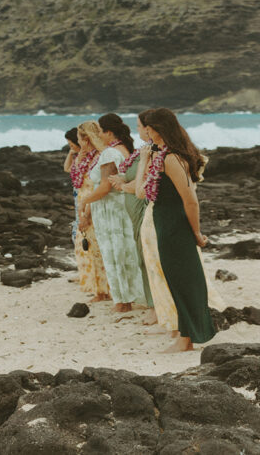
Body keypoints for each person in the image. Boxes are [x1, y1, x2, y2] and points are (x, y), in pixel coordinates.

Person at [138, 108, 216, 352]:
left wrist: (196, 233)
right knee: (176, 278)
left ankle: (187, 339)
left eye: (149, 128)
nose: (147, 132)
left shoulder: (171, 158)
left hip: (175, 224)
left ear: (160, 129)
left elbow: (190, 199)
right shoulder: (161, 156)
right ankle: (186, 335)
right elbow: (143, 191)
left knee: (184, 279)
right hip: (164, 220)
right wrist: (144, 160)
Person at [79, 113, 147, 313]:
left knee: (114, 254)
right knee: (127, 252)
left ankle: (122, 302)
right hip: (123, 205)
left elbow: (105, 187)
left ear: (109, 132)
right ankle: (129, 297)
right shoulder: (126, 150)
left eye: (100, 131)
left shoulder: (109, 153)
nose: (98, 135)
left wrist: (84, 201)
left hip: (110, 210)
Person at [72, 122, 110, 301]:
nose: (78, 142)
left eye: (80, 139)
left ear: (86, 139)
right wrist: (80, 154)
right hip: (84, 201)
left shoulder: (100, 157)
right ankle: (99, 289)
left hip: (93, 202)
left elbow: (97, 185)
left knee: (95, 247)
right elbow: (75, 179)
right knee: (87, 246)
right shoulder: (87, 156)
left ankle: (103, 291)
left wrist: (86, 213)